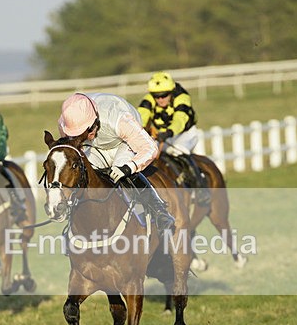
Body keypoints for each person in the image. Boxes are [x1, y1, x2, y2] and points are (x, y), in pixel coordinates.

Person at [58, 92, 174, 232]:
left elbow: (150, 148)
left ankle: (159, 210)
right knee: (82, 170)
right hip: (94, 148)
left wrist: (128, 168)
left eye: (88, 129)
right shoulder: (65, 124)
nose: (87, 135)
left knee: (119, 168)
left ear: (95, 119)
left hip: (123, 142)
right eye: (79, 133)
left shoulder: (117, 117)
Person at [137, 71, 210, 206]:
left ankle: (201, 188)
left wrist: (169, 132)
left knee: (179, 151)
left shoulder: (181, 97)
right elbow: (141, 115)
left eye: (164, 95)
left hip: (185, 134)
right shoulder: (149, 100)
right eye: (156, 96)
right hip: (164, 135)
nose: (160, 99)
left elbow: (180, 120)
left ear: (171, 91)